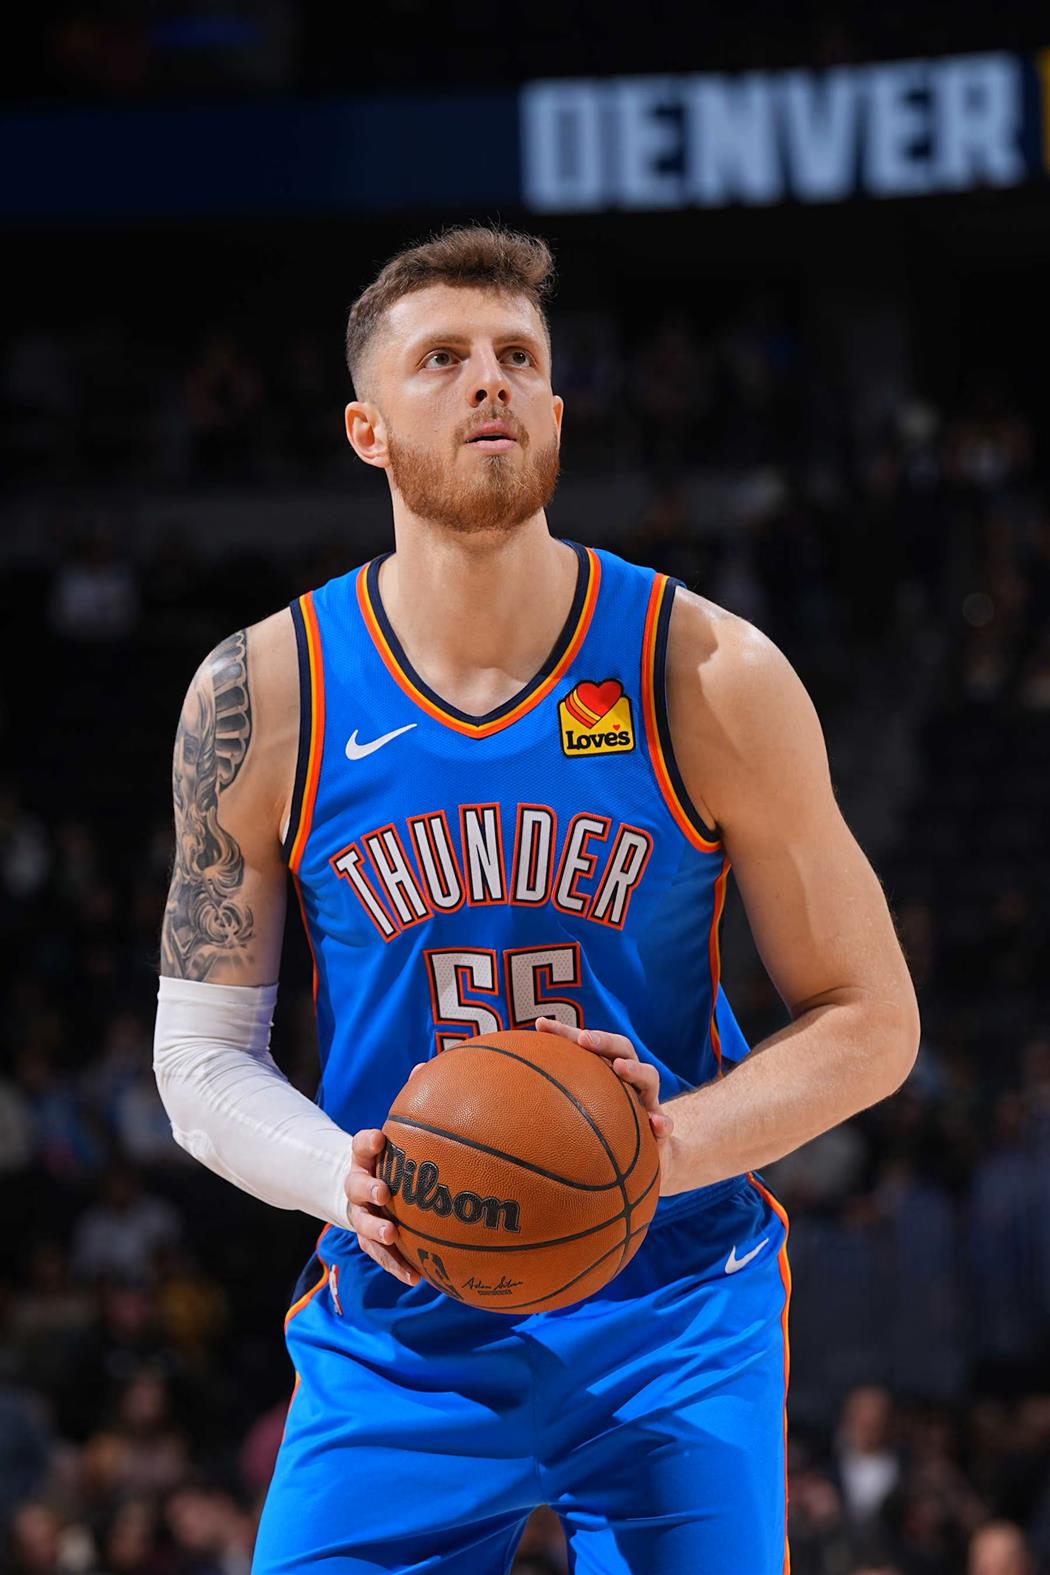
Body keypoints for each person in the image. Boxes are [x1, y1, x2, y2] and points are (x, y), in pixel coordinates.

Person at [153, 226, 919, 1574]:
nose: (488, 381)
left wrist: (658, 1151)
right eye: (441, 359)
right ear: (366, 430)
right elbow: (199, 1057)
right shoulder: (264, 693)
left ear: (557, 411)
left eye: (518, 357)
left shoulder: (704, 671)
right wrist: (348, 1180)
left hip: (673, 1302)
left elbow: (872, 1020)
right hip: (403, 1309)